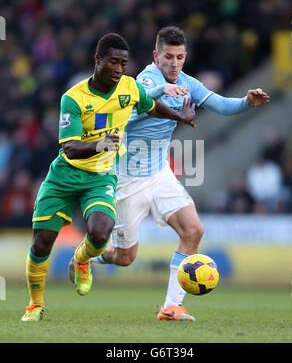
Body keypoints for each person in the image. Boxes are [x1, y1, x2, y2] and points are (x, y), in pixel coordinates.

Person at [91, 27, 270, 321]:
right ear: (155, 56)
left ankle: (171, 307)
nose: (174, 63)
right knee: (125, 258)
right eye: (168, 57)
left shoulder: (188, 83)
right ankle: (90, 256)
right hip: (128, 178)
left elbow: (221, 105)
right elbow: (136, 106)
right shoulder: (146, 80)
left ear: (185, 57)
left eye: (179, 57)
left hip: (160, 173)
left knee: (193, 230)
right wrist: (162, 92)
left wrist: (245, 103)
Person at [21, 32, 196, 322]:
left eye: (123, 63)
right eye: (113, 62)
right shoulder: (73, 98)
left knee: (101, 232)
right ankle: (35, 305)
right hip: (64, 176)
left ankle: (81, 259)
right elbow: (69, 147)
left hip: (101, 176)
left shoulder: (130, 87)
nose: (118, 69)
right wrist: (100, 144)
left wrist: (181, 118)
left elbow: (151, 106)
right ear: (98, 59)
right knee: (41, 243)